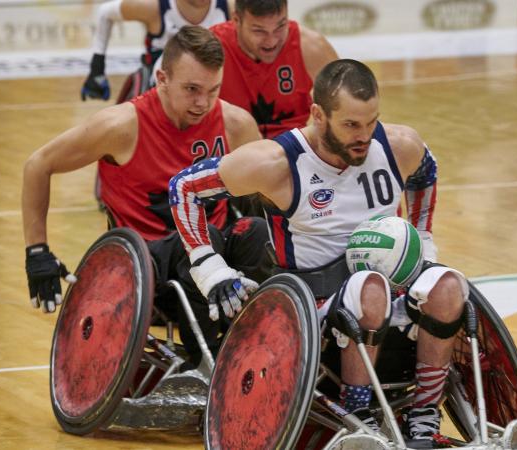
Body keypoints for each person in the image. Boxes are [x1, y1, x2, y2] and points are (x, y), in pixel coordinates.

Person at [169, 59, 468, 448]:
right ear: (318, 115)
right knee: (368, 288)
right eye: (350, 125)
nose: (364, 136)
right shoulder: (277, 162)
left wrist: (424, 239)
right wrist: (209, 268)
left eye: (371, 122)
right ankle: (358, 413)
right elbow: (185, 187)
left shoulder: (399, 146)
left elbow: (426, 173)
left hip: (391, 290)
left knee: (447, 285)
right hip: (313, 306)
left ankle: (424, 413)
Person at [24, 26, 270, 366]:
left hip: (217, 264)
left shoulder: (236, 124)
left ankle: (264, 346)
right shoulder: (121, 126)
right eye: (191, 89)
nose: (203, 103)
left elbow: (269, 194)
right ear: (162, 78)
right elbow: (38, 164)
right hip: (147, 267)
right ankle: (207, 358)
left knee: (257, 230)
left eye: (212, 90)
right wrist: (37, 252)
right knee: (203, 236)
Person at [210, 0, 338, 138]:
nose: (271, 41)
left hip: (296, 148)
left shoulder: (311, 46)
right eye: (259, 31)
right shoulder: (212, 48)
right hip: (234, 151)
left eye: (280, 27)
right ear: (236, 20)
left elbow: (345, 103)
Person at [81, 0, 230, 102]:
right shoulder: (153, 6)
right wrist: (97, 66)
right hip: (157, 88)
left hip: (214, 87)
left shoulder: (231, 7)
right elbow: (105, 12)